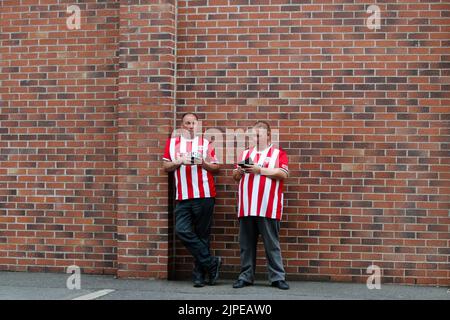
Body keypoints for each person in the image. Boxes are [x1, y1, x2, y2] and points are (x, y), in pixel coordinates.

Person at [162, 113, 221, 287]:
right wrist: (179, 161)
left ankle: (199, 275)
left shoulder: (205, 143)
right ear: (182, 125)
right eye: (187, 123)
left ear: (198, 125)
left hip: (204, 195)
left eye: (193, 123)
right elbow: (166, 166)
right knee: (182, 230)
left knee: (203, 235)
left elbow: (216, 167)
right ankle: (211, 262)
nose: (190, 126)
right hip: (183, 197)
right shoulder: (173, 143)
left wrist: (203, 163)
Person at [232, 121, 290, 290]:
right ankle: (246, 276)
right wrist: (239, 171)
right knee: (246, 245)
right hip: (247, 205)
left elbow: (283, 173)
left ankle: (277, 278)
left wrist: (260, 170)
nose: (255, 138)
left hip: (268, 206)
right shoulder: (246, 154)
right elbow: (235, 176)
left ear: (268, 135)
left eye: (259, 135)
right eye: (253, 135)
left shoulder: (278, 153)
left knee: (272, 244)